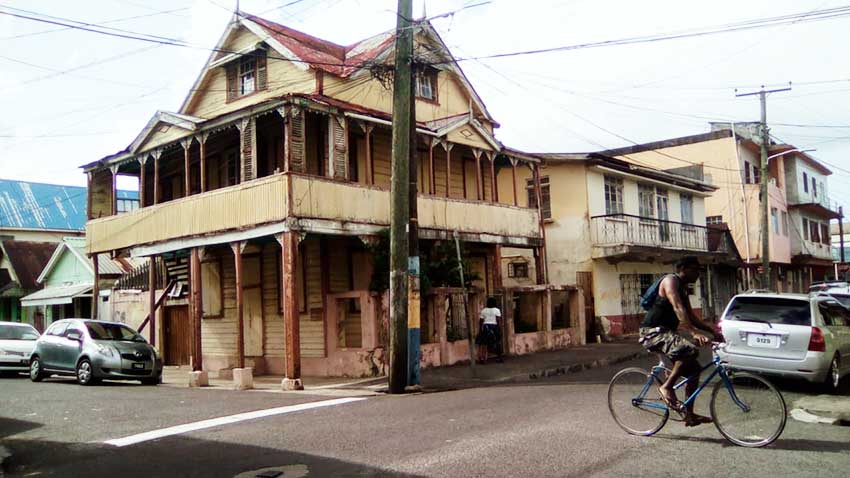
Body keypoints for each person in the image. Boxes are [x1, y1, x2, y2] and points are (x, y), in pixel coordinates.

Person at [638, 256, 717, 427]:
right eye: (694, 270)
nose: (697, 274)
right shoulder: (670, 281)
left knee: (694, 371)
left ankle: (689, 415)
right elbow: (677, 307)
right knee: (688, 350)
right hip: (652, 332)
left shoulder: (683, 288)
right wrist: (693, 332)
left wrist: (712, 332)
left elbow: (690, 316)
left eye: (699, 270)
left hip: (666, 333)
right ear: (683, 269)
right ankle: (666, 387)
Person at [476, 297, 503, 363]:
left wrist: (480, 330)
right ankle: (499, 357)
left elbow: (481, 321)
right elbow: (498, 320)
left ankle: (483, 358)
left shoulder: (484, 310)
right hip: (494, 326)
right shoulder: (497, 310)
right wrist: (500, 329)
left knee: (484, 343)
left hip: (486, 327)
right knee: (497, 342)